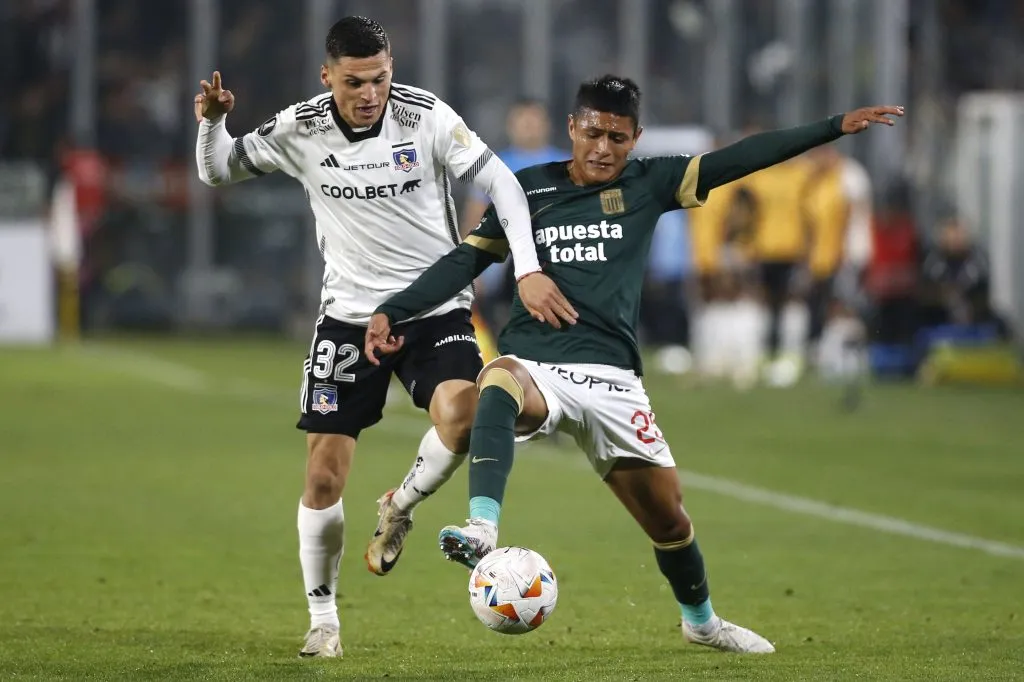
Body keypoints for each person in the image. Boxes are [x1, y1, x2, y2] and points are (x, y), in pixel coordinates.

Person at [366, 75, 903, 654]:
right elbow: (464, 262)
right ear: (572, 128)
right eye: (593, 133)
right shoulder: (527, 191)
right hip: (537, 366)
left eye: (617, 138)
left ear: (635, 138)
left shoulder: (649, 182)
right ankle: (481, 528)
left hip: (614, 381)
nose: (603, 148)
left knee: (669, 521)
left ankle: (702, 623)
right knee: (497, 381)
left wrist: (832, 128)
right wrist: (394, 310)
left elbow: (740, 159)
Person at [193, 16, 576, 658]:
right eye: (354, 82)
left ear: (391, 68)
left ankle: (400, 505)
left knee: (464, 417)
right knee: (323, 476)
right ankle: (324, 621)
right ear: (327, 77)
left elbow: (502, 184)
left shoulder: (425, 117)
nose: (370, 93)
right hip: (348, 317)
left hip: (434, 310)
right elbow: (217, 171)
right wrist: (212, 123)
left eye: (379, 78)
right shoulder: (300, 128)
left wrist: (527, 268)